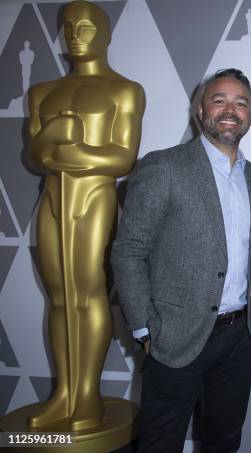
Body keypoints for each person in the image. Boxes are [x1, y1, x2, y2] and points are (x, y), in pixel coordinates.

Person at [111, 68, 251, 452]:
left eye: (241, 103)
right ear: (200, 110)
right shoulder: (163, 166)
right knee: (159, 443)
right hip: (174, 335)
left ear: (249, 114)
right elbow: (129, 250)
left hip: (240, 339)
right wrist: (145, 329)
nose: (231, 110)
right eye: (219, 100)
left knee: (223, 442)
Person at [26, 0, 145, 431]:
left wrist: (66, 145)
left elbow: (122, 158)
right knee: (58, 298)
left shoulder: (124, 90)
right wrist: (58, 140)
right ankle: (64, 393)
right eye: (69, 26)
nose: (76, 34)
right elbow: (37, 156)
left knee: (89, 293)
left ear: (106, 34)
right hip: (53, 199)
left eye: (88, 27)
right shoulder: (42, 92)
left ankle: (88, 396)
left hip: (96, 199)